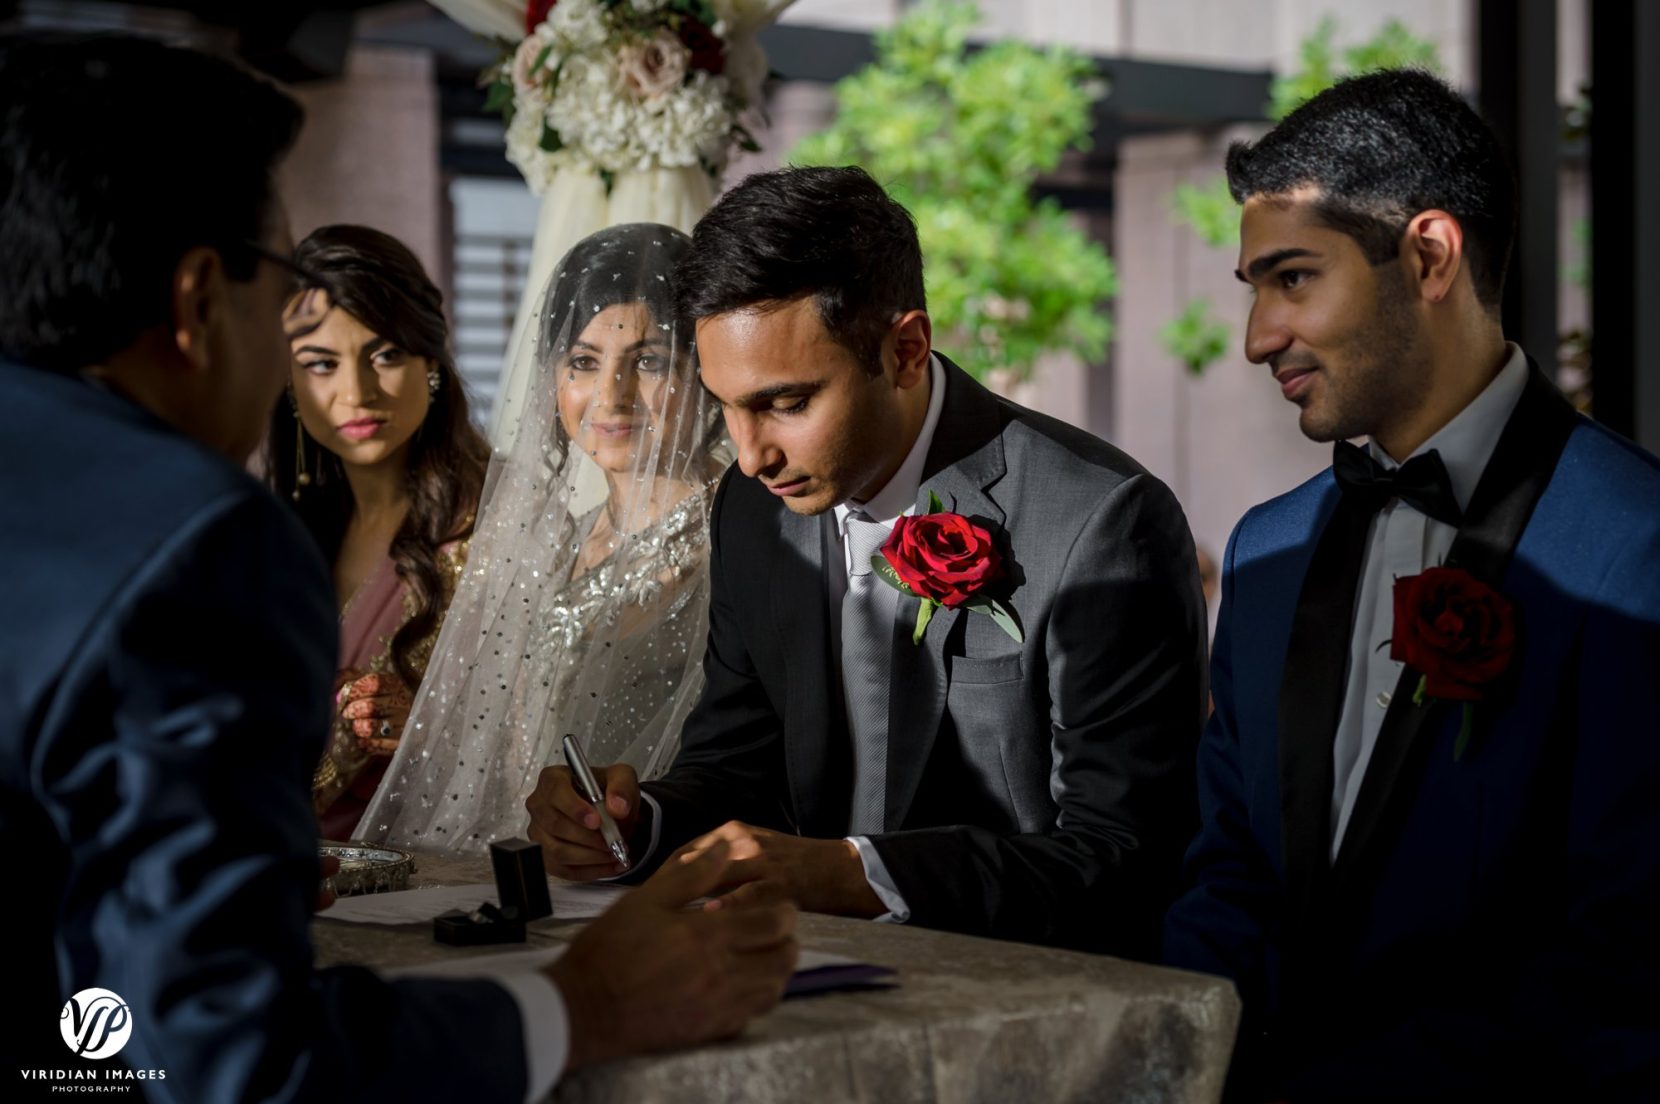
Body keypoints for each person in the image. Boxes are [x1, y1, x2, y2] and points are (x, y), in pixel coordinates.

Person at [0, 32, 795, 1100]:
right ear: (200, 301)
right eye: (289, 297)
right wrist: (585, 1006)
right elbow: (217, 1058)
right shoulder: (200, 544)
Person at [527, 166, 1208, 954]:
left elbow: (1125, 859)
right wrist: (635, 824)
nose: (749, 457)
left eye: (786, 403)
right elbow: (735, 764)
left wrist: (852, 875)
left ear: (906, 351)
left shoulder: (1102, 520)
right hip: (797, 979)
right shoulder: (753, 510)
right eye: (726, 406)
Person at [1161, 70, 1660, 1100]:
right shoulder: (1264, 552)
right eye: (1252, 290)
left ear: (1428, 255)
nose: (1257, 336)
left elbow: (1627, 957)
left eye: (1291, 279)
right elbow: (1228, 875)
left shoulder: (1635, 545)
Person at [357, 224, 726, 851]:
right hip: (549, 866)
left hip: (670, 867)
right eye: (583, 362)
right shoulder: (559, 545)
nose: (611, 396)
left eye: (648, 361)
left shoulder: (739, 536)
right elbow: (521, 743)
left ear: (706, 369)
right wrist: (427, 731)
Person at [263, 224, 489, 840]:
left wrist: (422, 729)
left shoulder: (495, 527)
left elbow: (539, 733)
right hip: (279, 873)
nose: (356, 393)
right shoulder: (274, 534)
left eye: (385, 355)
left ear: (431, 361)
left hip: (426, 879)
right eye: (320, 364)